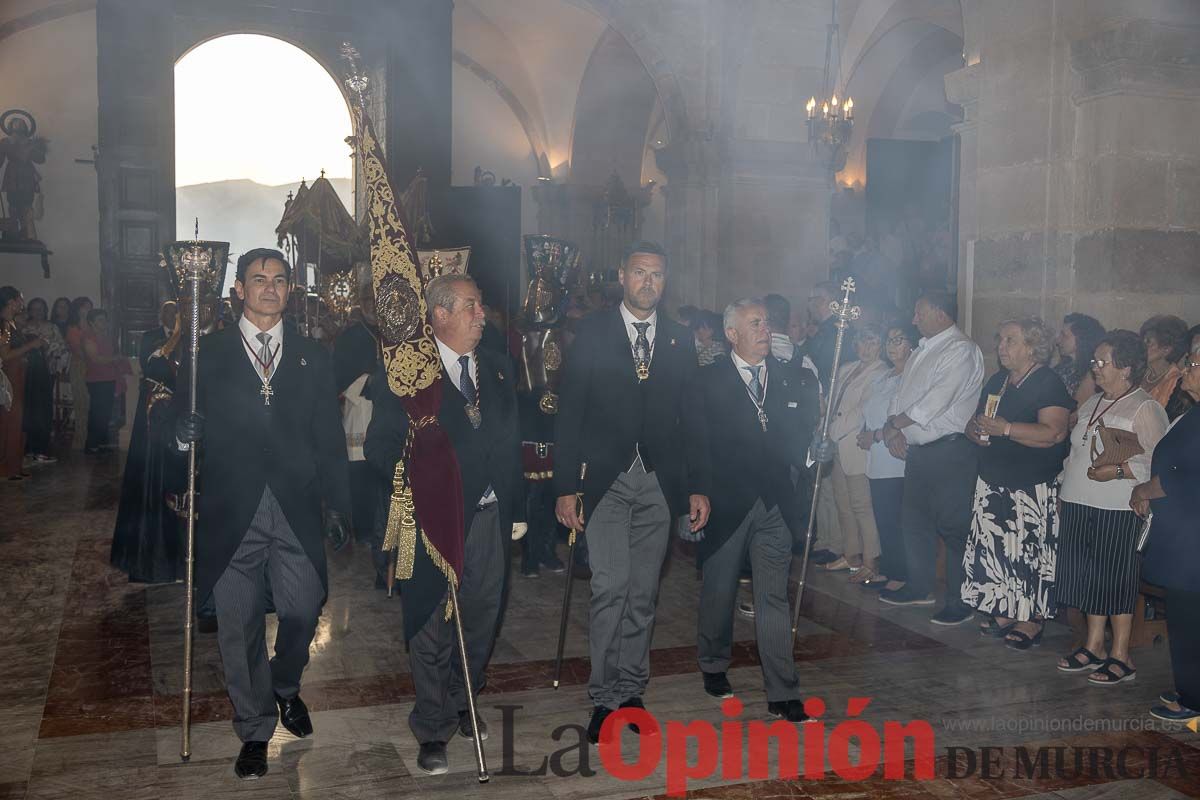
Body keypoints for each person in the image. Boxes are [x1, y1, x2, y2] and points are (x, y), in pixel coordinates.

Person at [174, 248, 351, 780]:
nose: (269, 288)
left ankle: (283, 685)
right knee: (238, 622)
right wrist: (182, 437)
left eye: (279, 280)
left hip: (295, 504)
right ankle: (253, 728)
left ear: (290, 290)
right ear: (239, 290)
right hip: (232, 508)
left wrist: (339, 503)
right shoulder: (210, 353)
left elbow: (329, 437)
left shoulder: (313, 355)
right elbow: (177, 420)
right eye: (258, 279)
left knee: (303, 605)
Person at [364, 274, 524, 775]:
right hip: (430, 521)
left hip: (489, 519)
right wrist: (412, 471)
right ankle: (432, 727)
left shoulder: (498, 369)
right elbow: (378, 446)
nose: (482, 315)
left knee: (481, 618)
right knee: (429, 625)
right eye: (472, 306)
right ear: (440, 314)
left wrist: (517, 510)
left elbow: (510, 444)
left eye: (480, 306)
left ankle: (462, 699)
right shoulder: (408, 374)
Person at [553, 240, 711, 744]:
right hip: (605, 481)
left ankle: (632, 690)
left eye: (657, 276)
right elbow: (571, 411)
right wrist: (564, 488)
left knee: (643, 594)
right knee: (609, 587)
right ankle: (603, 698)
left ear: (665, 283)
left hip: (659, 484)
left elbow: (694, 420)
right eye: (640, 273)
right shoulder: (594, 332)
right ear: (622, 276)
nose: (648, 283)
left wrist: (696, 487)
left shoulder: (680, 340)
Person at [689, 299, 816, 721]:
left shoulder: (789, 379)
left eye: (767, 322)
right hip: (725, 502)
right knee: (719, 591)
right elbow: (696, 443)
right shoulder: (706, 381)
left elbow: (798, 438)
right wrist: (697, 491)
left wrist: (815, 453)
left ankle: (782, 690)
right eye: (755, 323)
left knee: (773, 598)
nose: (766, 329)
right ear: (732, 334)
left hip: (776, 503)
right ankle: (712, 662)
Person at [1055, 331, 1167, 686]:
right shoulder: (1092, 403)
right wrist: (1063, 488)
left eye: (1103, 362)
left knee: (1116, 580)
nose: (1096, 368)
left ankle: (1121, 655)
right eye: (1094, 361)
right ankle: (1093, 646)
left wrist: (1118, 470)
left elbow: (1159, 463)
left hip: (1118, 508)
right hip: (1079, 504)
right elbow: (1075, 453)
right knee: (1089, 580)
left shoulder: (1144, 407)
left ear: (1127, 367)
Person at [962, 319, 1073, 648]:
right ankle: (1005, 609)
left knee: (1027, 552)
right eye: (1000, 339)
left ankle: (1031, 618)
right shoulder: (999, 380)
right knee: (998, 550)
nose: (1002, 346)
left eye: (1011, 340)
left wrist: (1007, 429)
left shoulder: (1047, 382)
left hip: (1030, 486)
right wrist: (975, 431)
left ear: (1032, 346)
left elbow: (1054, 432)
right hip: (994, 482)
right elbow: (978, 419)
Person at [880, 291, 984, 625]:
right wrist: (893, 429)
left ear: (939, 313)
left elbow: (934, 401)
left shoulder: (961, 350)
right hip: (920, 453)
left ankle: (960, 600)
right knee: (915, 523)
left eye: (919, 312)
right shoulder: (923, 350)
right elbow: (901, 395)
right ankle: (919, 586)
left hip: (950, 451)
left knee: (954, 528)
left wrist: (896, 425)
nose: (914, 320)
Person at [1132, 352, 1200, 723]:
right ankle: (1191, 687)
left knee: (1190, 618)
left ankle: (1192, 699)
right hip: (1185, 533)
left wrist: (1143, 490)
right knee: (1187, 614)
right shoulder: (1192, 413)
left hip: (1193, 539)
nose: (1187, 369)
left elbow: (1186, 475)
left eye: (1194, 364)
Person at [111, 301, 186, 583]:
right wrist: (177, 335)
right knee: (153, 482)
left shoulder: (191, 339)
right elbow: (153, 366)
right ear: (162, 316)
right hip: (155, 417)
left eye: (176, 312)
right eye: (169, 312)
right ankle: (154, 558)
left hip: (178, 417)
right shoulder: (152, 339)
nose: (172, 316)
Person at [823, 323, 888, 578]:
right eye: (862, 341)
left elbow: (863, 409)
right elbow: (832, 401)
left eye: (872, 342)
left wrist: (832, 429)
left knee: (861, 505)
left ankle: (870, 563)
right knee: (843, 504)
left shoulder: (881, 372)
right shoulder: (846, 368)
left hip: (855, 444)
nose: (866, 348)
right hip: (836, 443)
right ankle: (851, 555)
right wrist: (823, 423)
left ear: (880, 346)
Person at [858, 322, 919, 591]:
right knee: (883, 516)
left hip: (895, 456)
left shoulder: (913, 376)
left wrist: (876, 436)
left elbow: (905, 417)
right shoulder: (884, 376)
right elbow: (870, 408)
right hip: (877, 457)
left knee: (896, 519)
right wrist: (866, 432)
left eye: (899, 339)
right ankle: (889, 568)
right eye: (889, 340)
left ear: (912, 345)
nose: (892, 346)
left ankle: (901, 574)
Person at [332, 296, 386, 584]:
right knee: (360, 473)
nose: (376, 310)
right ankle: (363, 529)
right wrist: (368, 381)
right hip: (359, 410)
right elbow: (339, 373)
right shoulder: (353, 336)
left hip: (384, 412)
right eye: (372, 304)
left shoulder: (388, 332)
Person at [1, 287, 44, 480]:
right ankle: (6, 468)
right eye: (20, 300)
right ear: (11, 302)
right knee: (10, 421)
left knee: (19, 421)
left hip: (19, 374)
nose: (22, 304)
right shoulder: (4, 325)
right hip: (9, 378)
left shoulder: (12, 324)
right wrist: (31, 345)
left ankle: (15, 466)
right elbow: (5, 355)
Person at [21, 297, 68, 463]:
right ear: (29, 310)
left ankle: (41, 449)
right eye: (34, 309)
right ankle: (26, 449)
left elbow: (61, 349)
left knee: (43, 411)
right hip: (24, 375)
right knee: (26, 411)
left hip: (45, 373)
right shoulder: (22, 327)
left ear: (46, 310)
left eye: (41, 309)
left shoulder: (52, 327)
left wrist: (51, 356)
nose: (38, 312)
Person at [81, 309, 124, 454]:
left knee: (105, 413)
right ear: (91, 322)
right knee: (97, 413)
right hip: (96, 379)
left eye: (105, 319)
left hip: (109, 378)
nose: (104, 323)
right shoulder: (89, 337)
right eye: (100, 320)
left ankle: (101, 443)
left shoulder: (106, 336)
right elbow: (95, 359)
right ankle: (92, 444)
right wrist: (114, 359)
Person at [1139, 314, 1189, 415]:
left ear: (1166, 349)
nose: (1141, 345)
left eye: (1148, 342)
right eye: (1143, 340)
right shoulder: (1140, 372)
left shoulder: (1175, 381)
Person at [1054, 313, 1104, 411]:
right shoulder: (1064, 367)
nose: (1058, 340)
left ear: (1081, 339)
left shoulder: (1092, 373)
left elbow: (1077, 412)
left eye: (1064, 336)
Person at [64, 297, 93, 450]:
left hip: (95, 366)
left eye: (90, 307)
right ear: (78, 309)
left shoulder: (93, 325)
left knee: (92, 404)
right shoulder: (73, 327)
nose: (88, 309)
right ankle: (81, 440)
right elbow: (78, 350)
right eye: (85, 307)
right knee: (81, 403)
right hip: (80, 366)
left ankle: (92, 439)